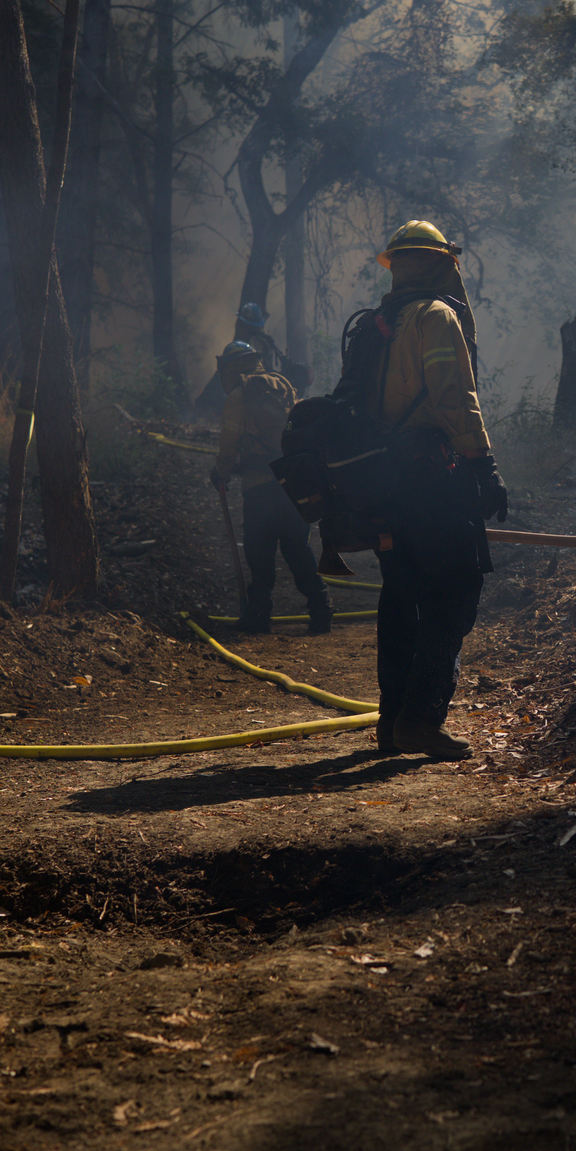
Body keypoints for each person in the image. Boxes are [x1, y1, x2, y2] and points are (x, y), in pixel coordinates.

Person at [362, 220, 509, 759]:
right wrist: (484, 464)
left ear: (398, 266)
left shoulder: (379, 322)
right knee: (452, 593)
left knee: (401, 597)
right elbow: (453, 399)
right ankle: (420, 720)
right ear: (440, 262)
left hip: (382, 481)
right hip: (432, 477)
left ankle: (390, 723)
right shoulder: (437, 317)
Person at [210, 339, 334, 635]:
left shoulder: (239, 396)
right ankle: (321, 608)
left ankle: (259, 615)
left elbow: (229, 442)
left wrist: (221, 472)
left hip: (258, 485)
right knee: (297, 548)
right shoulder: (284, 386)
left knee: (259, 551)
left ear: (231, 368)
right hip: (291, 483)